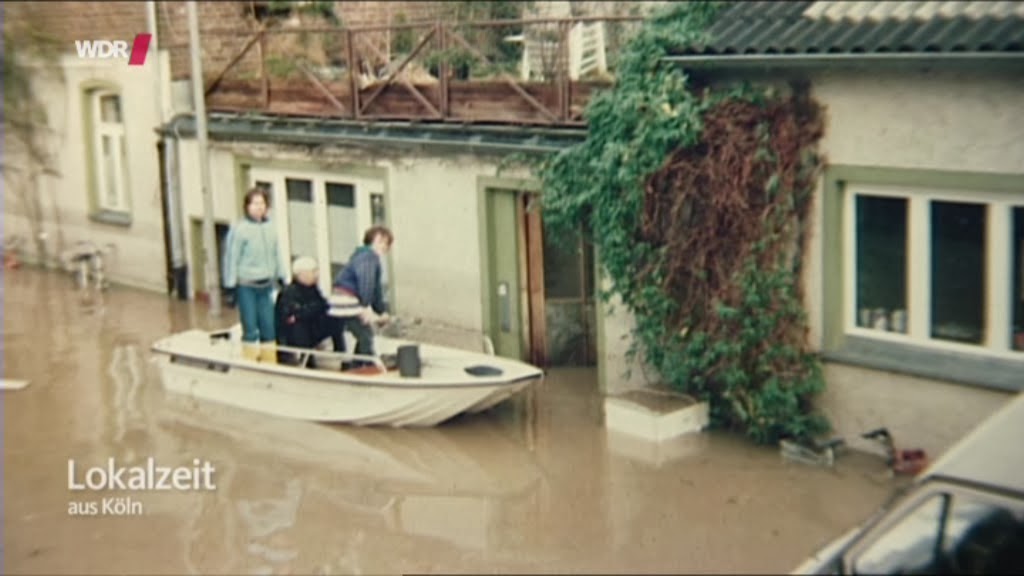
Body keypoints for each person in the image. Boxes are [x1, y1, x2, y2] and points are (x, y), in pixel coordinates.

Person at [222, 186, 287, 363]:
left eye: (262, 203)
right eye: (255, 204)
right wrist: (230, 285)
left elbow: (277, 253)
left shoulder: (271, 227)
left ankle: (269, 362)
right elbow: (232, 257)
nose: (259, 207)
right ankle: (249, 360)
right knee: (250, 327)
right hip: (246, 286)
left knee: (269, 327)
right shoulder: (240, 229)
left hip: (266, 285)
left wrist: (282, 276)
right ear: (247, 207)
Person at [328, 226, 393, 365]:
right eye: (381, 241)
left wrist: (381, 311)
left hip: (343, 298)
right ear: (372, 241)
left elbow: (375, 290)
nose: (384, 246)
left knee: (363, 334)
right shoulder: (368, 257)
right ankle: (365, 365)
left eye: (387, 243)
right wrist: (365, 308)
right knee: (365, 336)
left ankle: (357, 365)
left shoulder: (363, 256)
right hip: (346, 299)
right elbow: (366, 283)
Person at [274, 256, 344, 367]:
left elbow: (323, 305)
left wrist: (306, 312)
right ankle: (307, 360)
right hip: (293, 333)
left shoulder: (313, 289)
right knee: (300, 325)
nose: (317, 275)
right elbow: (291, 315)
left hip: (312, 325)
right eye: (313, 271)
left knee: (336, 319)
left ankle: (342, 356)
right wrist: (306, 312)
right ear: (301, 274)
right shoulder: (289, 292)